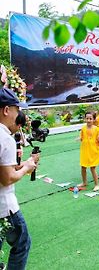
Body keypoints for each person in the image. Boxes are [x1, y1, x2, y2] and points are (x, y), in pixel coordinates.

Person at [0, 88, 38, 270]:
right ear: (6, 110)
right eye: (17, 109)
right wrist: (27, 168)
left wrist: (22, 164)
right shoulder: (5, 138)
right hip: (5, 209)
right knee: (22, 244)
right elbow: (7, 179)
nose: (19, 114)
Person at [78, 112, 99, 191]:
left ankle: (96, 184)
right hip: (85, 151)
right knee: (83, 167)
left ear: (94, 119)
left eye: (90, 119)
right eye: (87, 118)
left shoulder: (96, 129)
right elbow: (82, 137)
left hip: (93, 151)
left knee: (93, 168)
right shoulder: (83, 128)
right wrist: (79, 139)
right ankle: (84, 182)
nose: (88, 120)